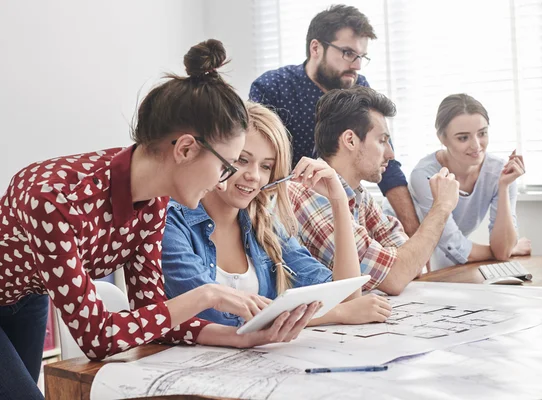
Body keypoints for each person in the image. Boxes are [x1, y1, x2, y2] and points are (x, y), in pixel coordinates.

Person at [0, 39, 318, 400]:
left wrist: (240, 338)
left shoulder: (154, 203)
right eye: (226, 165)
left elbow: (154, 318)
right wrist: (208, 295)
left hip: (27, 296)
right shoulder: (54, 198)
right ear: (184, 149)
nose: (224, 179)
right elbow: (99, 340)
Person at [161, 102, 391, 327]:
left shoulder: (264, 226)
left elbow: (346, 296)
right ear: (221, 157)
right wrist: (336, 313)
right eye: (242, 160)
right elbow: (212, 316)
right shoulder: (171, 221)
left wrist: (339, 201)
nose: (254, 176)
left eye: (266, 166)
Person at [249, 4, 421, 237]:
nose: (357, 65)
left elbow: (387, 166)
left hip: (343, 208)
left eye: (362, 56)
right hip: (282, 218)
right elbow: (256, 166)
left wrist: (414, 234)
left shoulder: (360, 90)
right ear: (316, 48)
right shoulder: (273, 87)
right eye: (348, 53)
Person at [288, 86, 460, 296]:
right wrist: (441, 207)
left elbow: (413, 266)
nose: (391, 153)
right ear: (350, 140)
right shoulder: (309, 192)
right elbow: (396, 277)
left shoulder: (359, 195)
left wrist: (400, 263)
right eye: (382, 140)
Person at [392, 94, 531, 270]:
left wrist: (503, 187)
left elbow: (502, 251)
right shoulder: (425, 175)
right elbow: (452, 243)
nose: (476, 145)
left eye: (482, 133)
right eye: (463, 138)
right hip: (402, 251)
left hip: (448, 261)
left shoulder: (500, 172)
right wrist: (507, 249)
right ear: (442, 138)